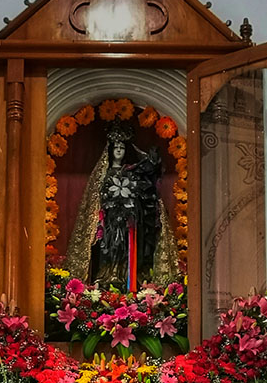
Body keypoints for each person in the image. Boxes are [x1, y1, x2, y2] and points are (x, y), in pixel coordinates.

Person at [63, 119, 180, 290]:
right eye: (116, 147)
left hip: (129, 222)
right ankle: (106, 276)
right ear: (110, 150)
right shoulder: (103, 173)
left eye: (122, 147)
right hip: (109, 221)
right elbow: (95, 198)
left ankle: (126, 277)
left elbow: (145, 190)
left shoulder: (132, 171)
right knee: (108, 250)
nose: (119, 150)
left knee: (126, 250)